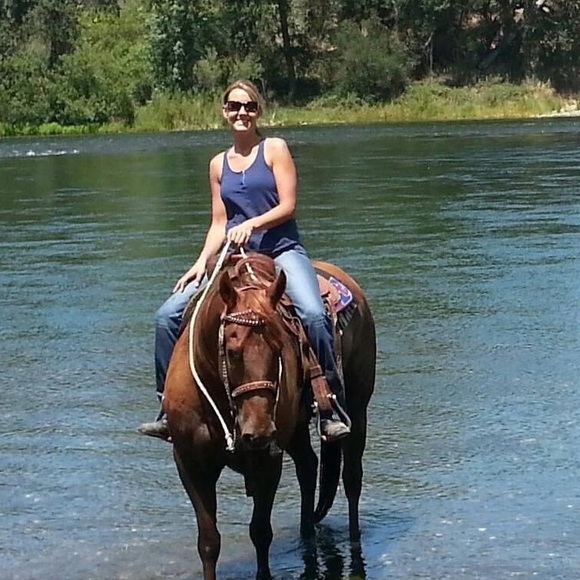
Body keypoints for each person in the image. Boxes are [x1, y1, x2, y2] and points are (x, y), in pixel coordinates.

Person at [139, 80, 350, 442]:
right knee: (167, 316)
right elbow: (219, 222)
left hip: (280, 250)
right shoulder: (217, 165)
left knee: (314, 314)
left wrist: (252, 224)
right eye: (235, 106)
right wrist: (201, 262)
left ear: (258, 111)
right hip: (234, 257)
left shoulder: (274, 149)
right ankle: (167, 410)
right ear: (225, 112)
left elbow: (288, 206)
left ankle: (329, 406)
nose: (242, 113)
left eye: (249, 106)